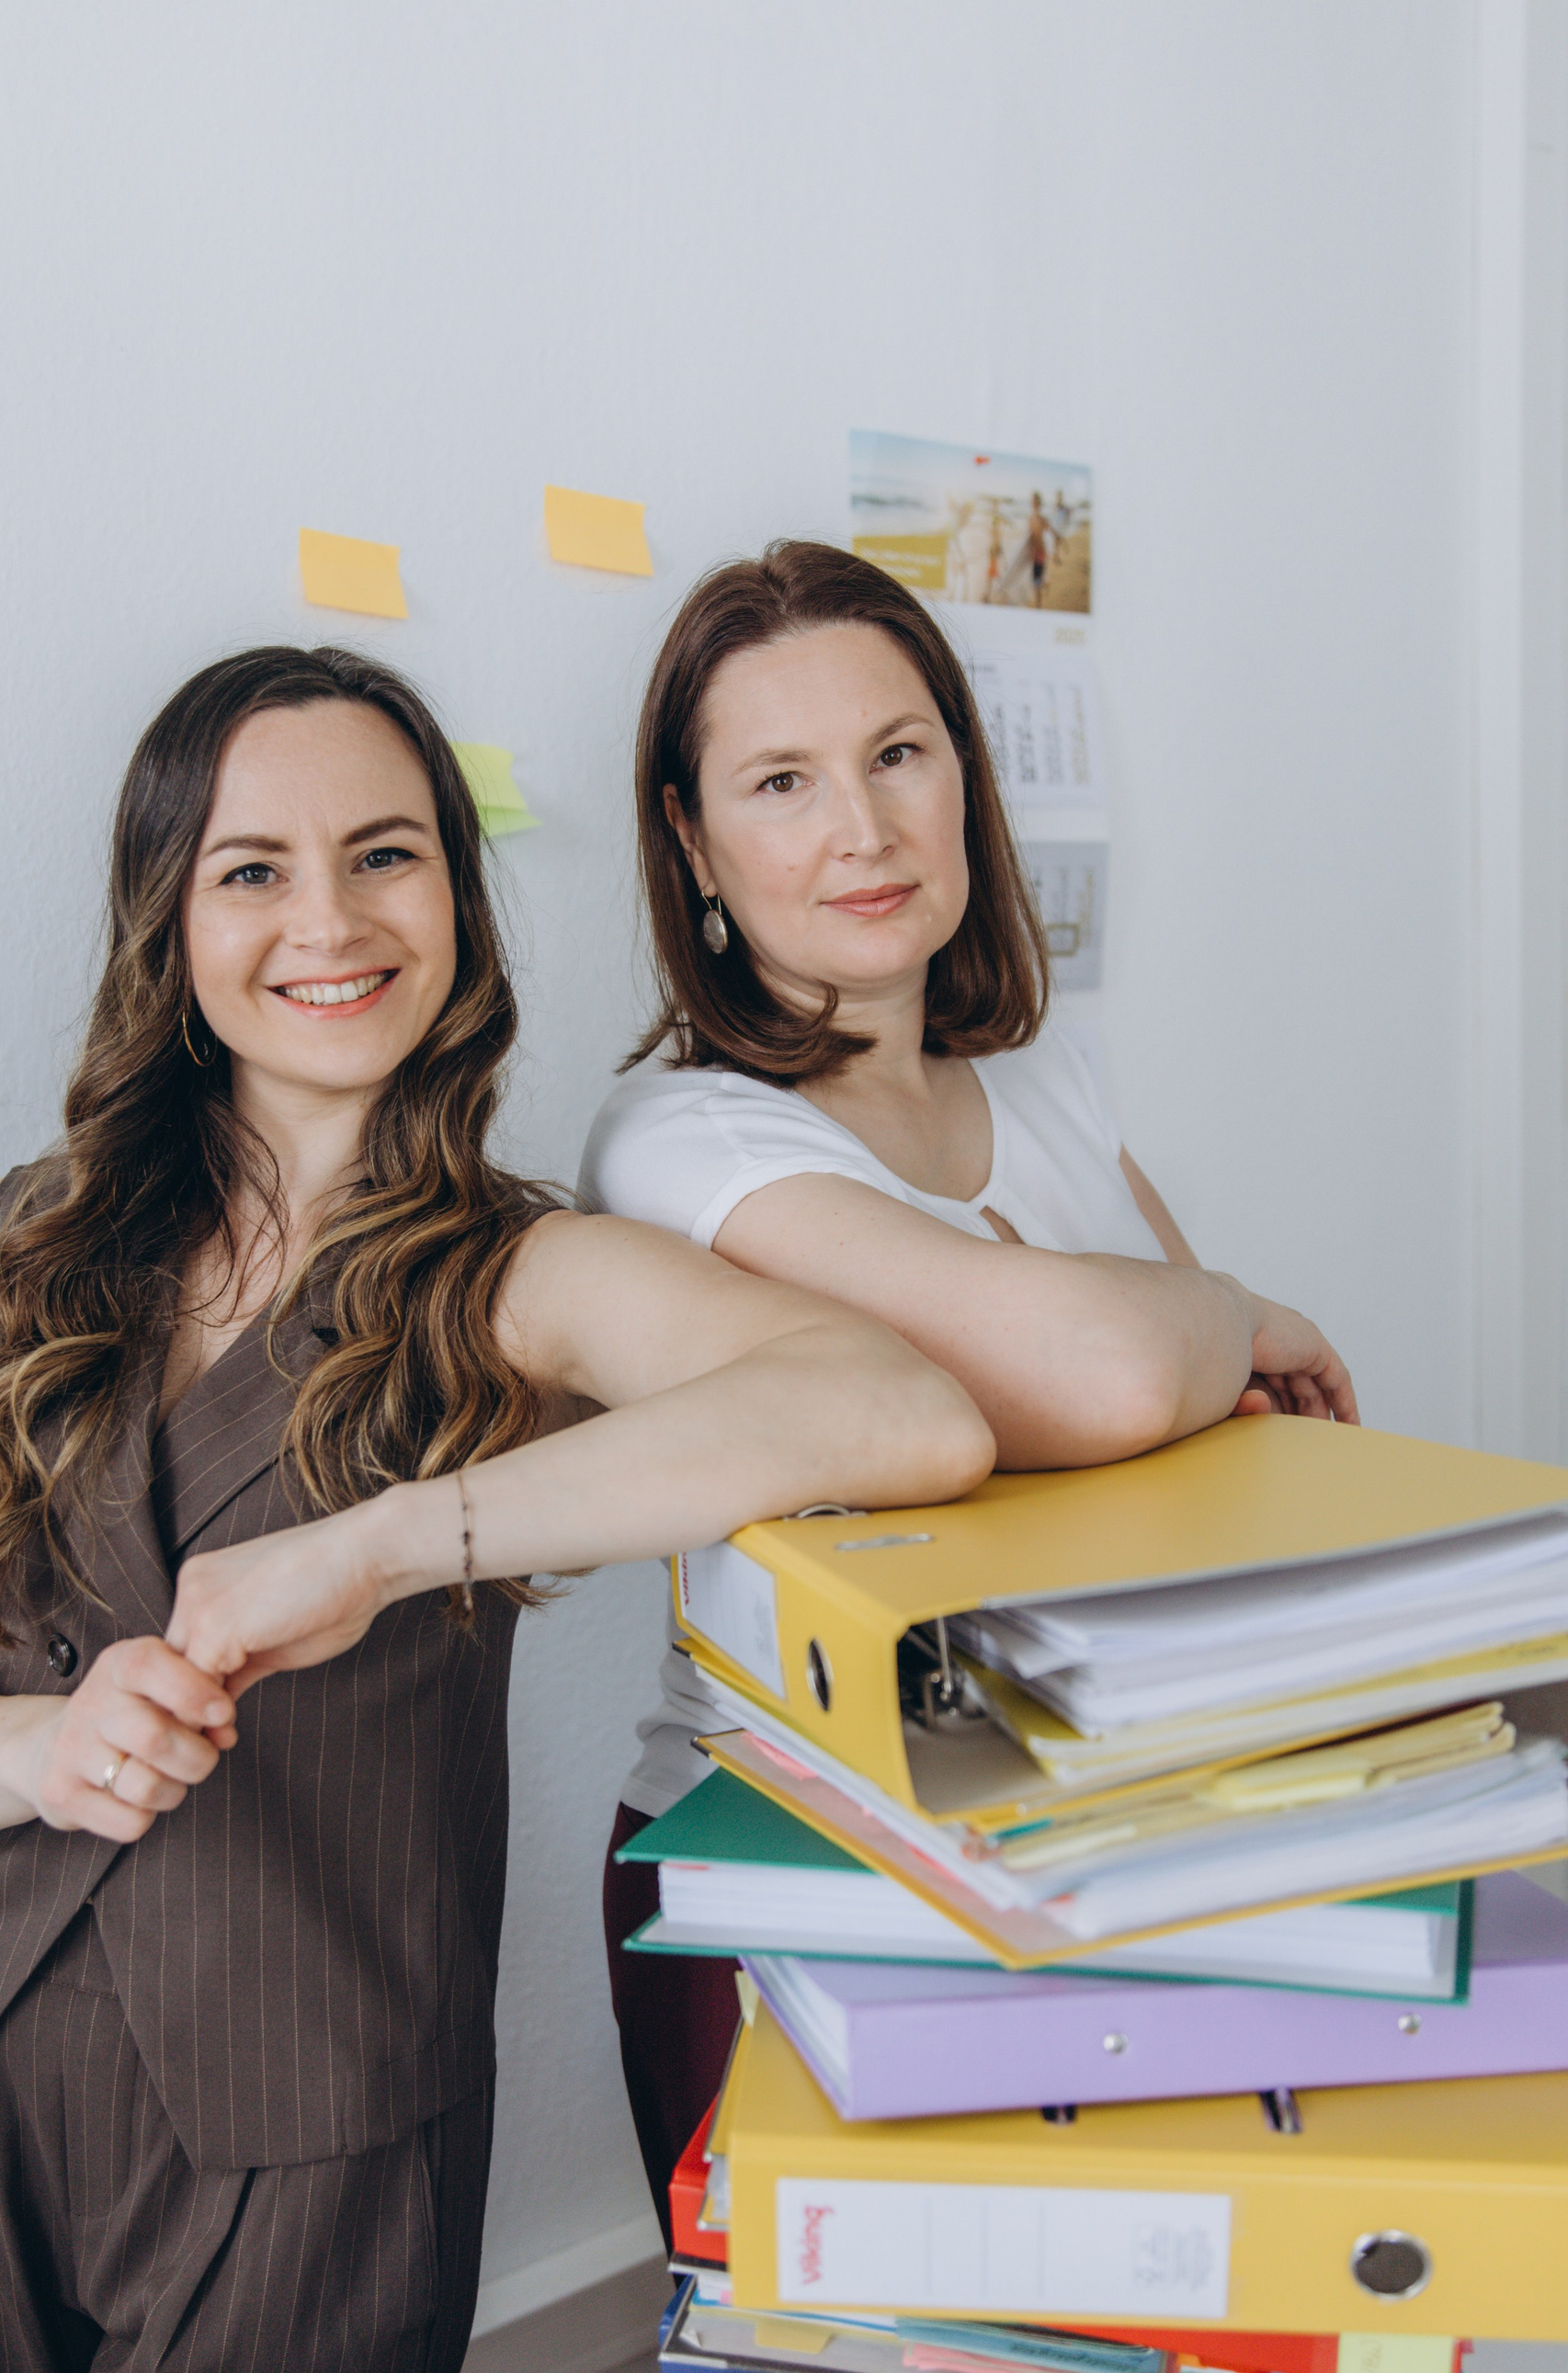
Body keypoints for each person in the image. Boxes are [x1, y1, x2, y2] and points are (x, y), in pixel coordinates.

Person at [0, 643, 991, 2373]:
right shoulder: (9, 1245)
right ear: (169, 919)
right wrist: (41, 1750)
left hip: (318, 2138)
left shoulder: (517, 1275)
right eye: (253, 870)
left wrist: (382, 1544)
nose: (333, 920)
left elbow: (900, 1410)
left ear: (457, 890)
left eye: (387, 854)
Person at [577, 540, 1359, 2231]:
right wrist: (1235, 1312)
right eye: (781, 782)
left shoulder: (1048, 1076)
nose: (862, 828)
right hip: (794, 1869)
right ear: (692, 841)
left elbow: (1210, 1441)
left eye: (898, 754)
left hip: (1096, 1823)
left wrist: (1189, 1356)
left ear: (963, 776)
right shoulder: (681, 1139)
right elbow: (1116, 1368)